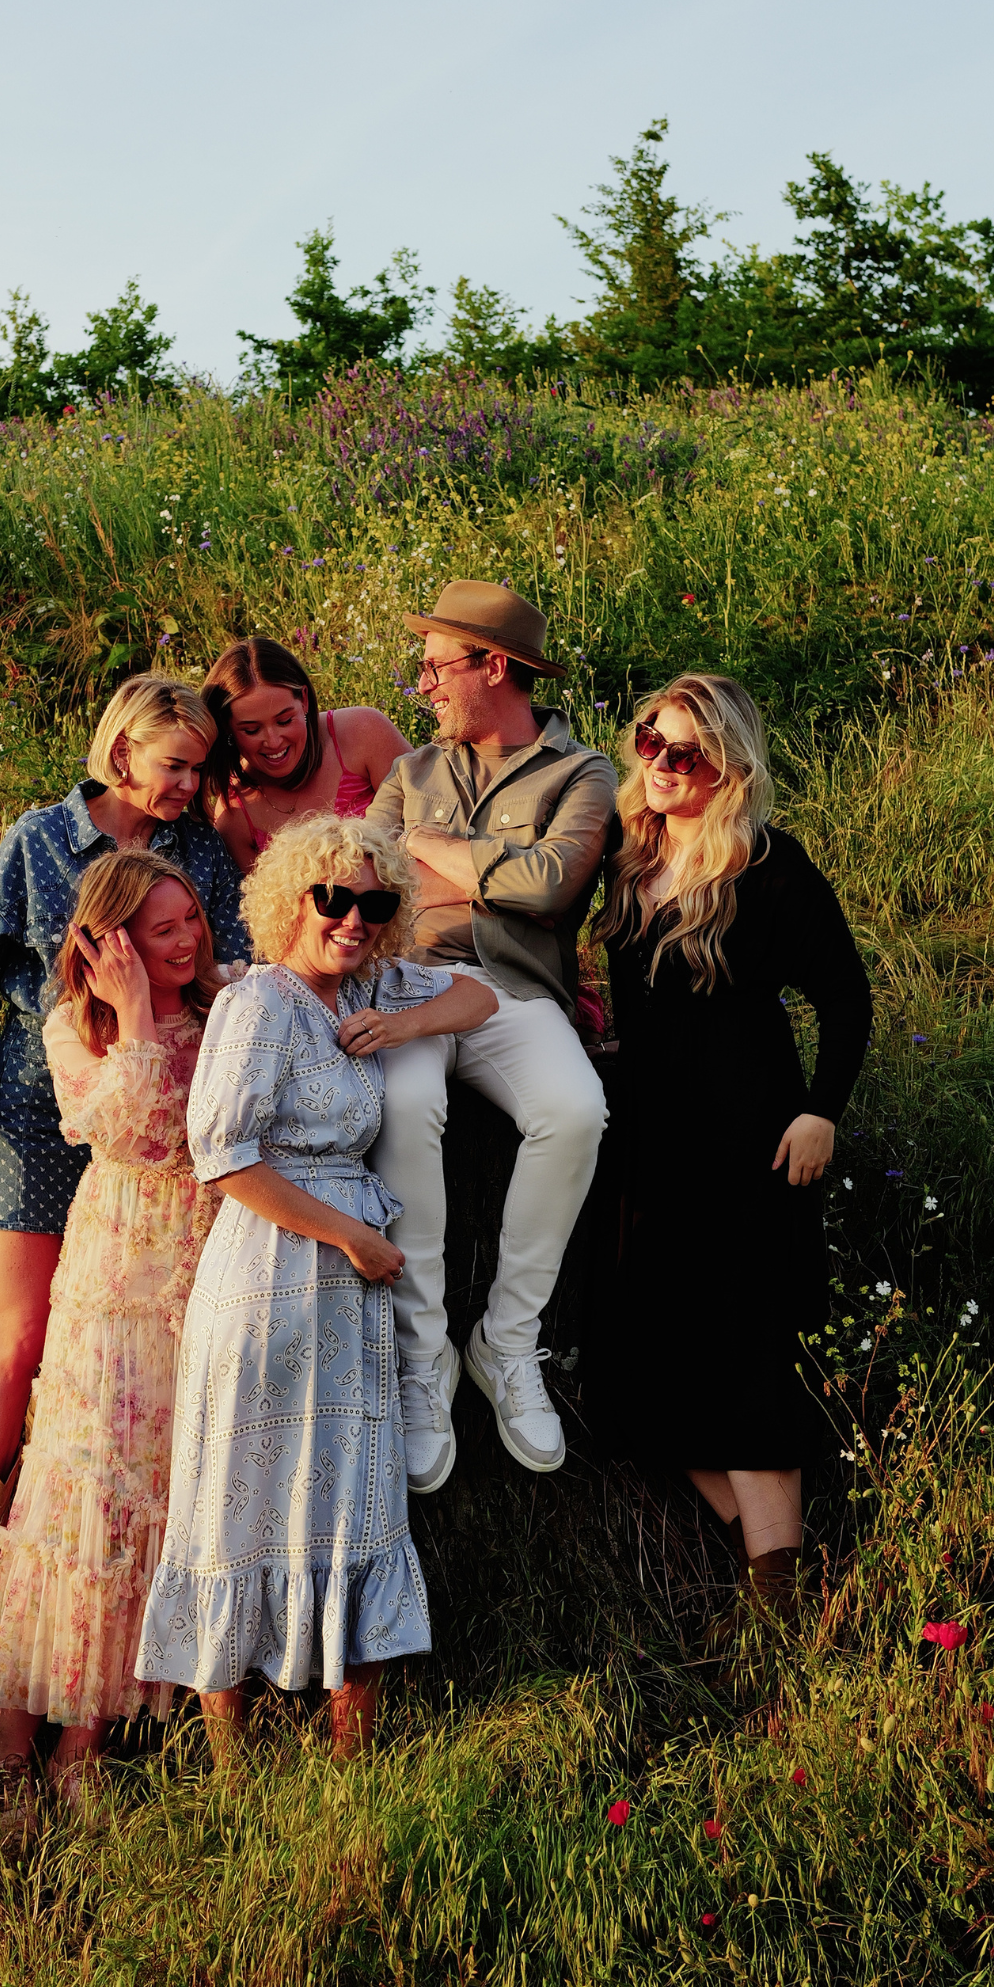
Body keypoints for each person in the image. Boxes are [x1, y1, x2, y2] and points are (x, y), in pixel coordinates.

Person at [134, 816, 496, 1762]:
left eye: (375, 903)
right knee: (234, 1505)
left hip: (347, 1292)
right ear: (290, 900)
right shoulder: (258, 1003)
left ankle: (350, 1760)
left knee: (357, 1499)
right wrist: (353, 1237)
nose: (353, 919)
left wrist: (403, 1024)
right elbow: (224, 1159)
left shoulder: (369, 984)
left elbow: (478, 996)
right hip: (269, 1274)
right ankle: (229, 1770)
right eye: (333, 898)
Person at [0, 673, 249, 1677]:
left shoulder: (198, 852)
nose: (187, 786)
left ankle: (124, 1614)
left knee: (138, 1357)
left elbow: (230, 969)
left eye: (199, 768)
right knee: (17, 1341)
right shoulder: (39, 842)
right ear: (122, 750)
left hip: (156, 1135)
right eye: (174, 765)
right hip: (34, 1110)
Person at [590, 674, 872, 1615]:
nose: (662, 764)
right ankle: (768, 1566)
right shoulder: (630, 854)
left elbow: (845, 997)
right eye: (651, 740)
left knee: (744, 1353)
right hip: (650, 1142)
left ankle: (778, 1599)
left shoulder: (768, 864)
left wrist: (821, 1112)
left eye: (687, 753)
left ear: (729, 769)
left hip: (750, 1135)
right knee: (641, 1367)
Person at [0, 849, 236, 1798]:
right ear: (109, 943)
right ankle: (12, 1744)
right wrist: (132, 1015)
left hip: (200, 1268)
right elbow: (130, 1134)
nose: (186, 940)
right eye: (162, 929)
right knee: (81, 1491)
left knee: (155, 1491)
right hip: (117, 1274)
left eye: (190, 918)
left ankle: (82, 1745)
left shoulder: (223, 1007)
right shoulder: (71, 1028)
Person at [364, 580, 616, 1495]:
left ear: (494, 666)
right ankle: (422, 1354)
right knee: (403, 1101)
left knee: (576, 1110)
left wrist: (431, 853)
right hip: (412, 980)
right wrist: (487, 871)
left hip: (516, 990)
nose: (424, 684)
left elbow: (550, 889)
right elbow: (364, 876)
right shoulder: (412, 773)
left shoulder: (581, 774)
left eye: (437, 667)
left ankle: (506, 1344)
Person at [203, 636, 411, 870]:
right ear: (227, 727)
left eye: (284, 720)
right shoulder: (234, 814)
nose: (273, 741)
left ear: (304, 699)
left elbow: (433, 814)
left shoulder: (363, 732)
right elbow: (256, 894)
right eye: (251, 730)